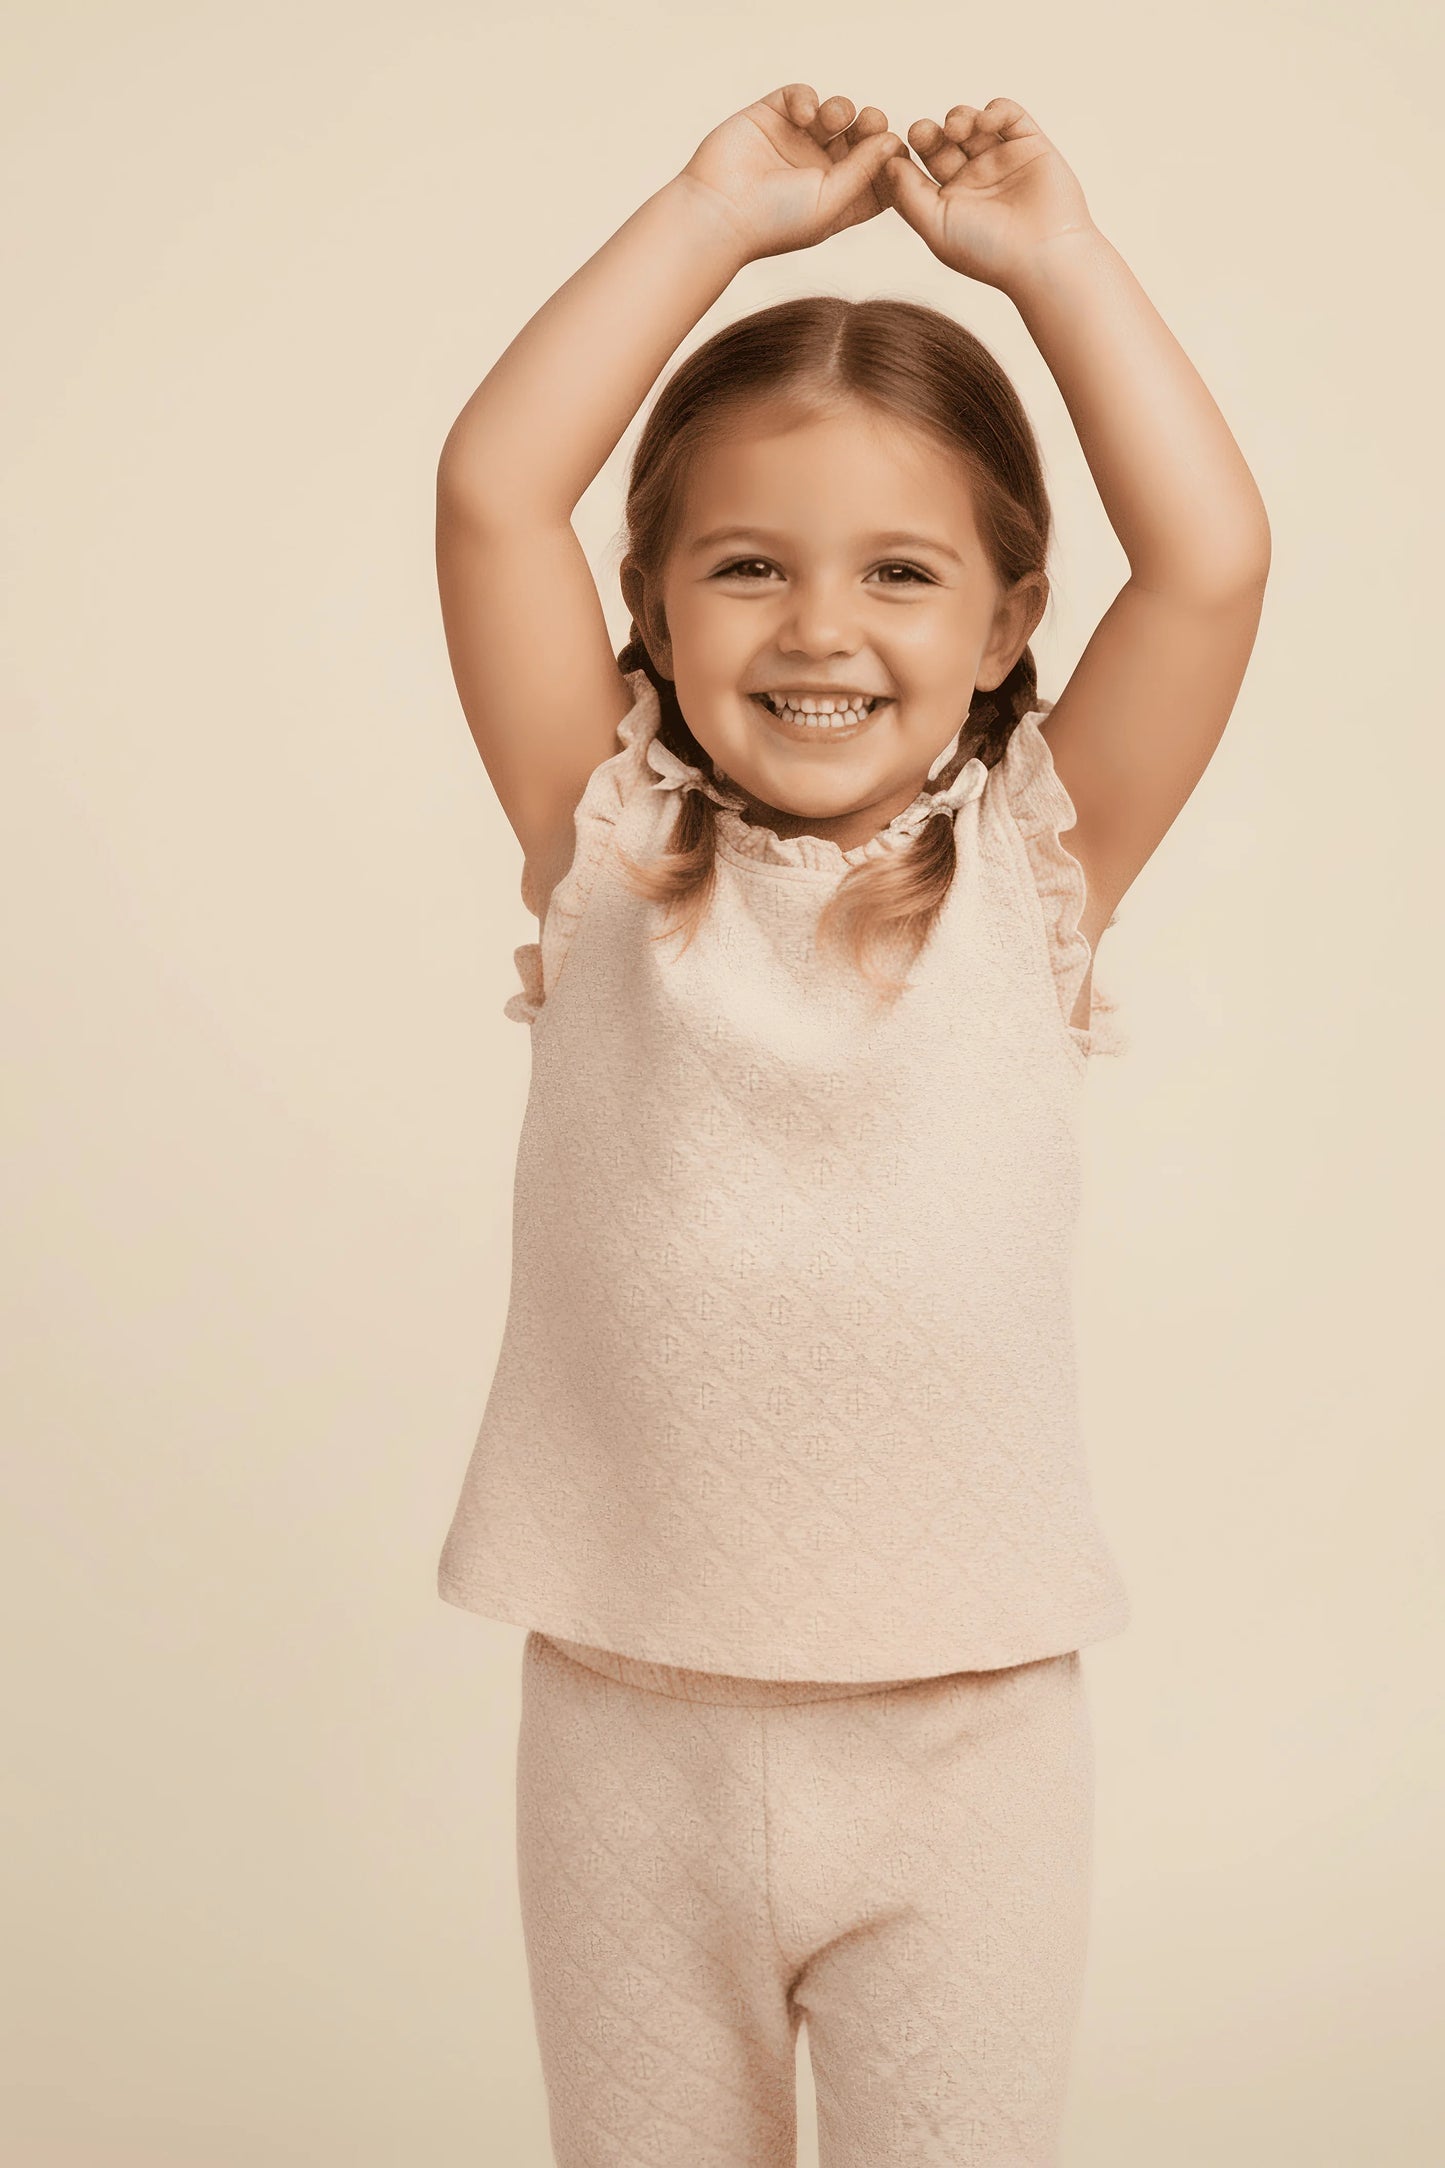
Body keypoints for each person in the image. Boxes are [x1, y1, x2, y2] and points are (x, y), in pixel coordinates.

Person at [433, 82, 1270, 2167]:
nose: (818, 631)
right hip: (629, 1722)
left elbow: (1216, 558)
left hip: (966, 1744)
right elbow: (487, 494)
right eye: (745, 567)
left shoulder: (1036, 872)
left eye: (901, 573)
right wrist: (709, 216)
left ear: (1004, 628)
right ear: (649, 599)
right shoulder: (603, 846)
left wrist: (1058, 264)